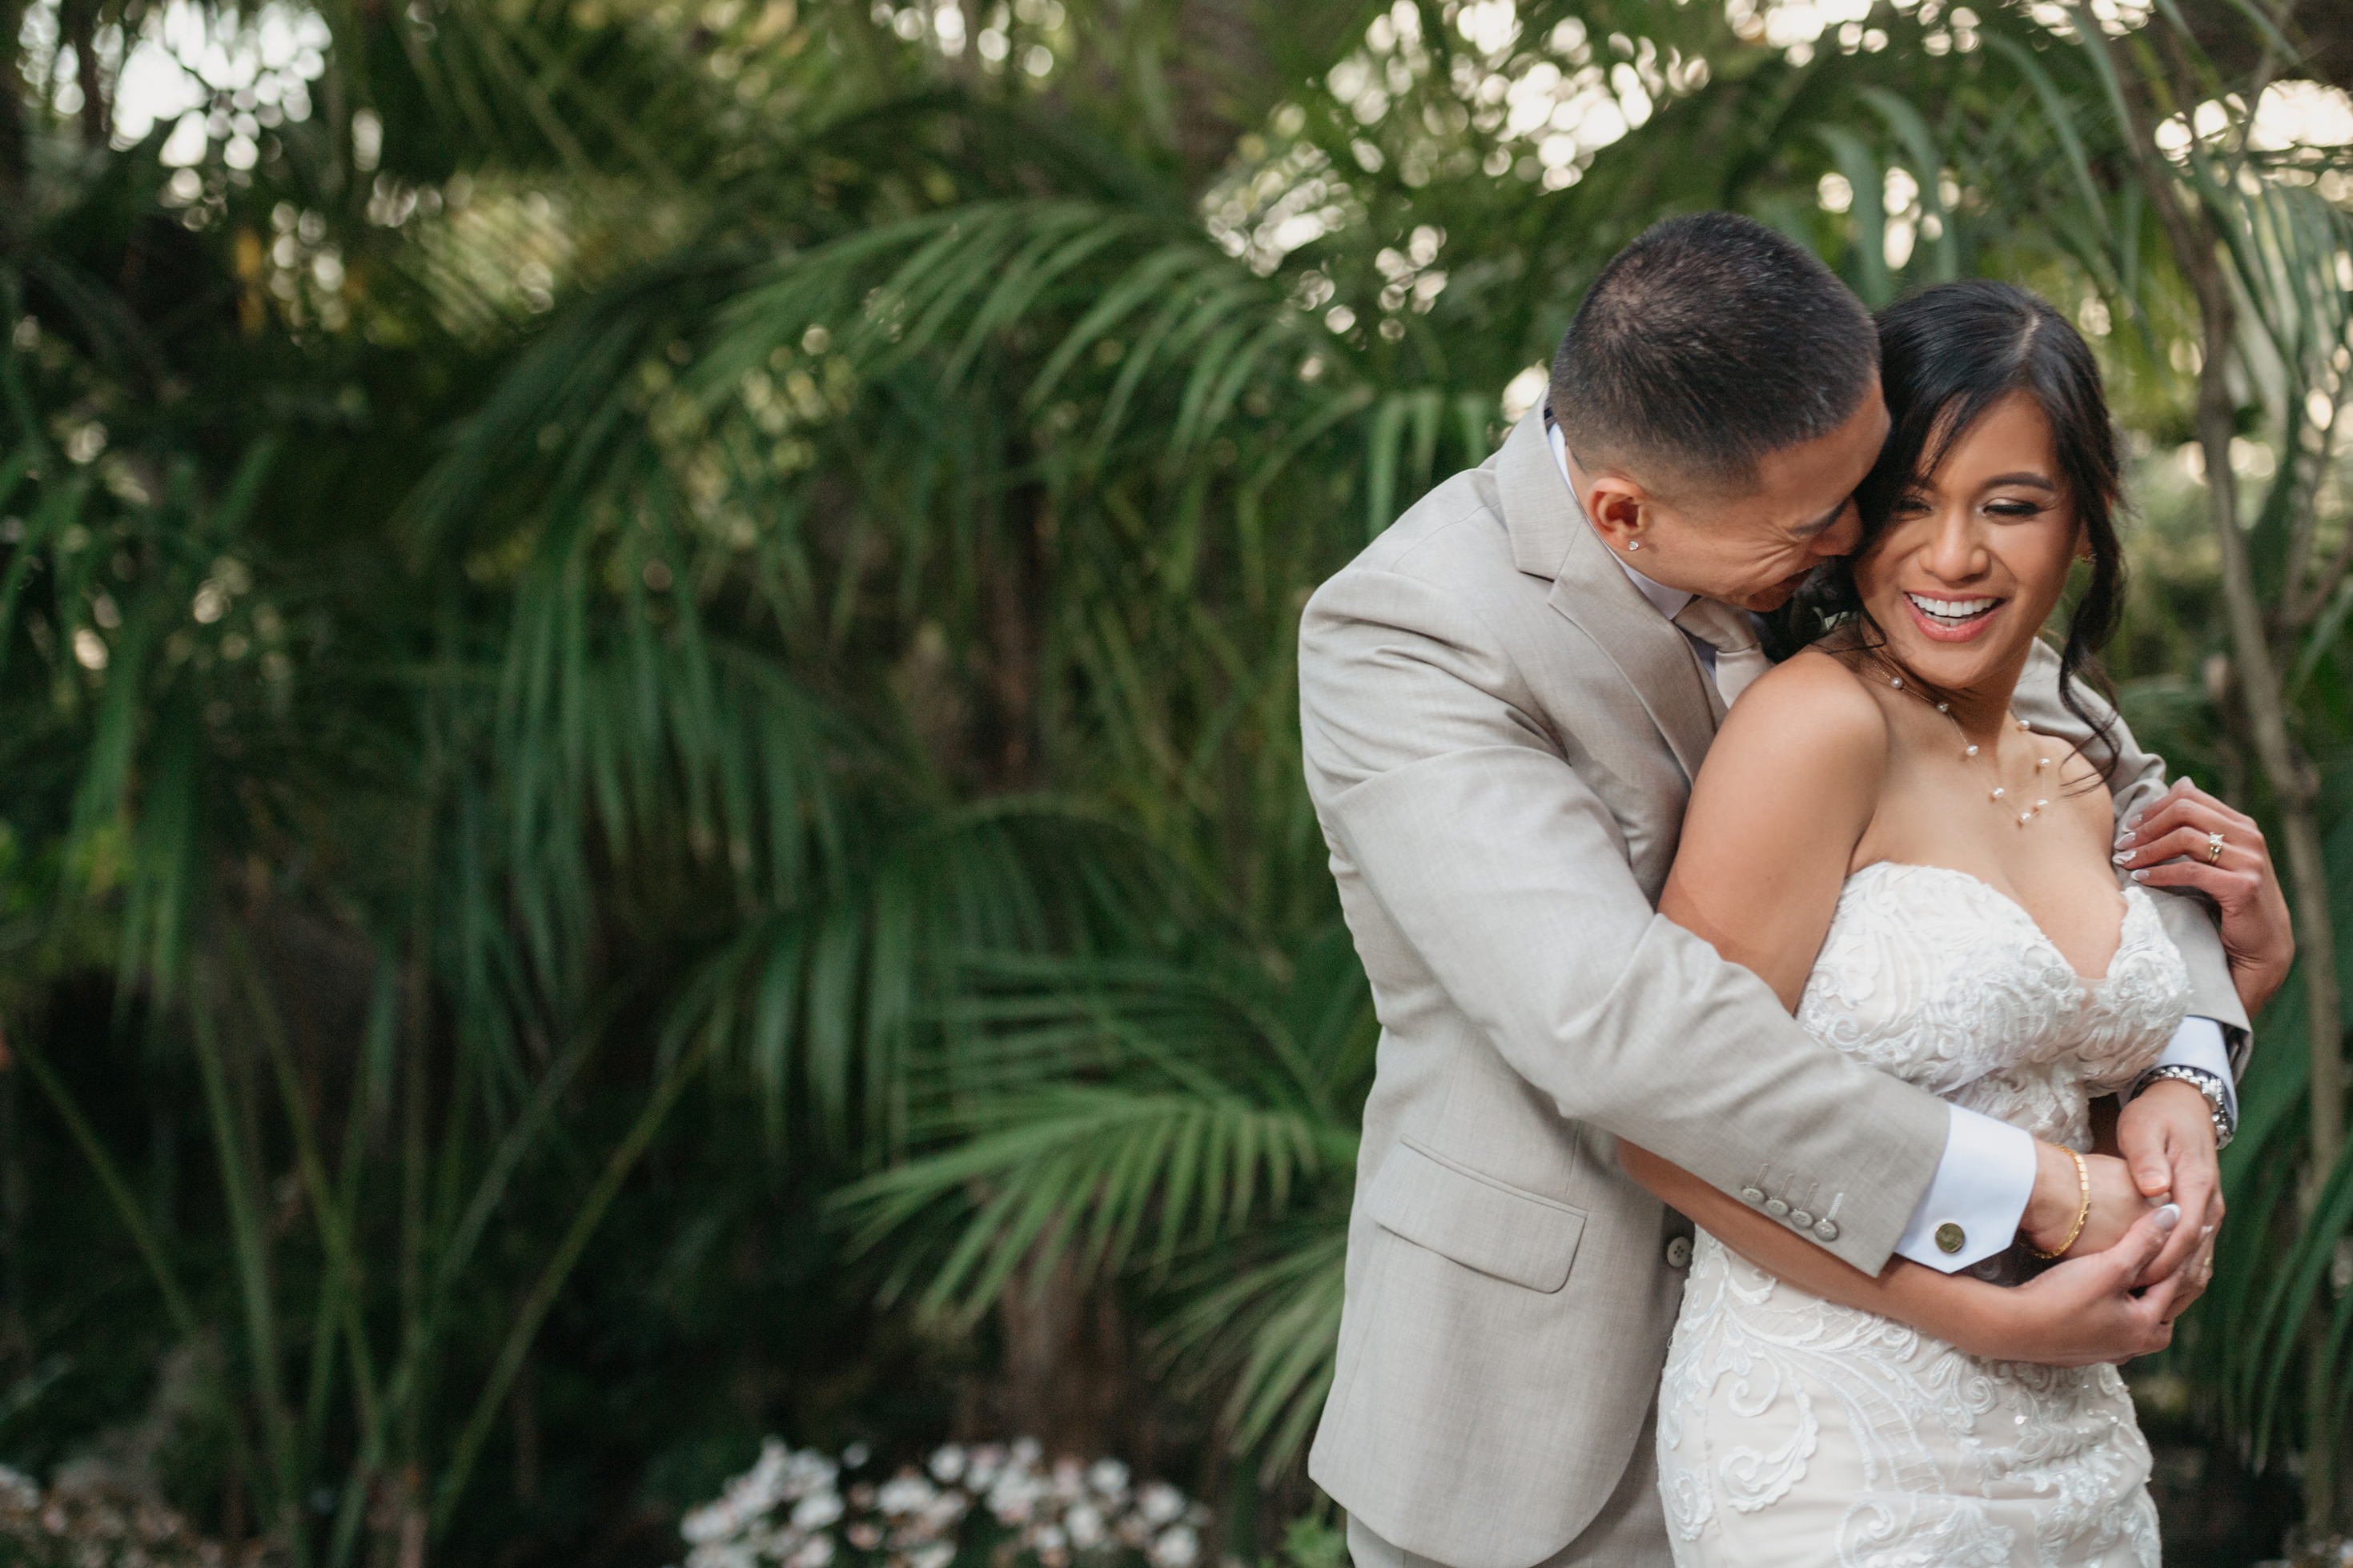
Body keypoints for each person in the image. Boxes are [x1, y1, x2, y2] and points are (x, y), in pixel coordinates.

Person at [1295, 214, 2287, 1568]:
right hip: (1545, 1415)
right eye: (1833, 520)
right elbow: (1620, 1028)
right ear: (1623, 514)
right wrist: (2045, 1192)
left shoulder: (1819, 506)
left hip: (1908, 1399)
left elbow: (2101, 791)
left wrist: (2187, 1057)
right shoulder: (1413, 634)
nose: (1872, 544)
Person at [1624, 279, 2292, 1564]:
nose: (1952, 559)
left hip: (2075, 1441)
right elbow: (1668, 1126)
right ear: (1843, 522)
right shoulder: (1813, 732)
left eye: (2012, 506)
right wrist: (1987, 1323)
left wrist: (2212, 1036)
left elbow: (2055, 1100)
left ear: (2085, 528)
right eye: (1910, 504)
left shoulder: (2083, 766)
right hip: (1838, 1442)